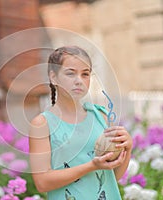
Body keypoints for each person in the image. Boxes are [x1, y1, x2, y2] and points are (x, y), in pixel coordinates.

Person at [29, 46, 132, 200]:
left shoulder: (100, 116)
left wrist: (128, 148)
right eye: (70, 73)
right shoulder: (42, 123)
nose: (79, 81)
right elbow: (42, 182)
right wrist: (91, 166)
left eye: (85, 74)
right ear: (53, 77)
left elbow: (113, 176)